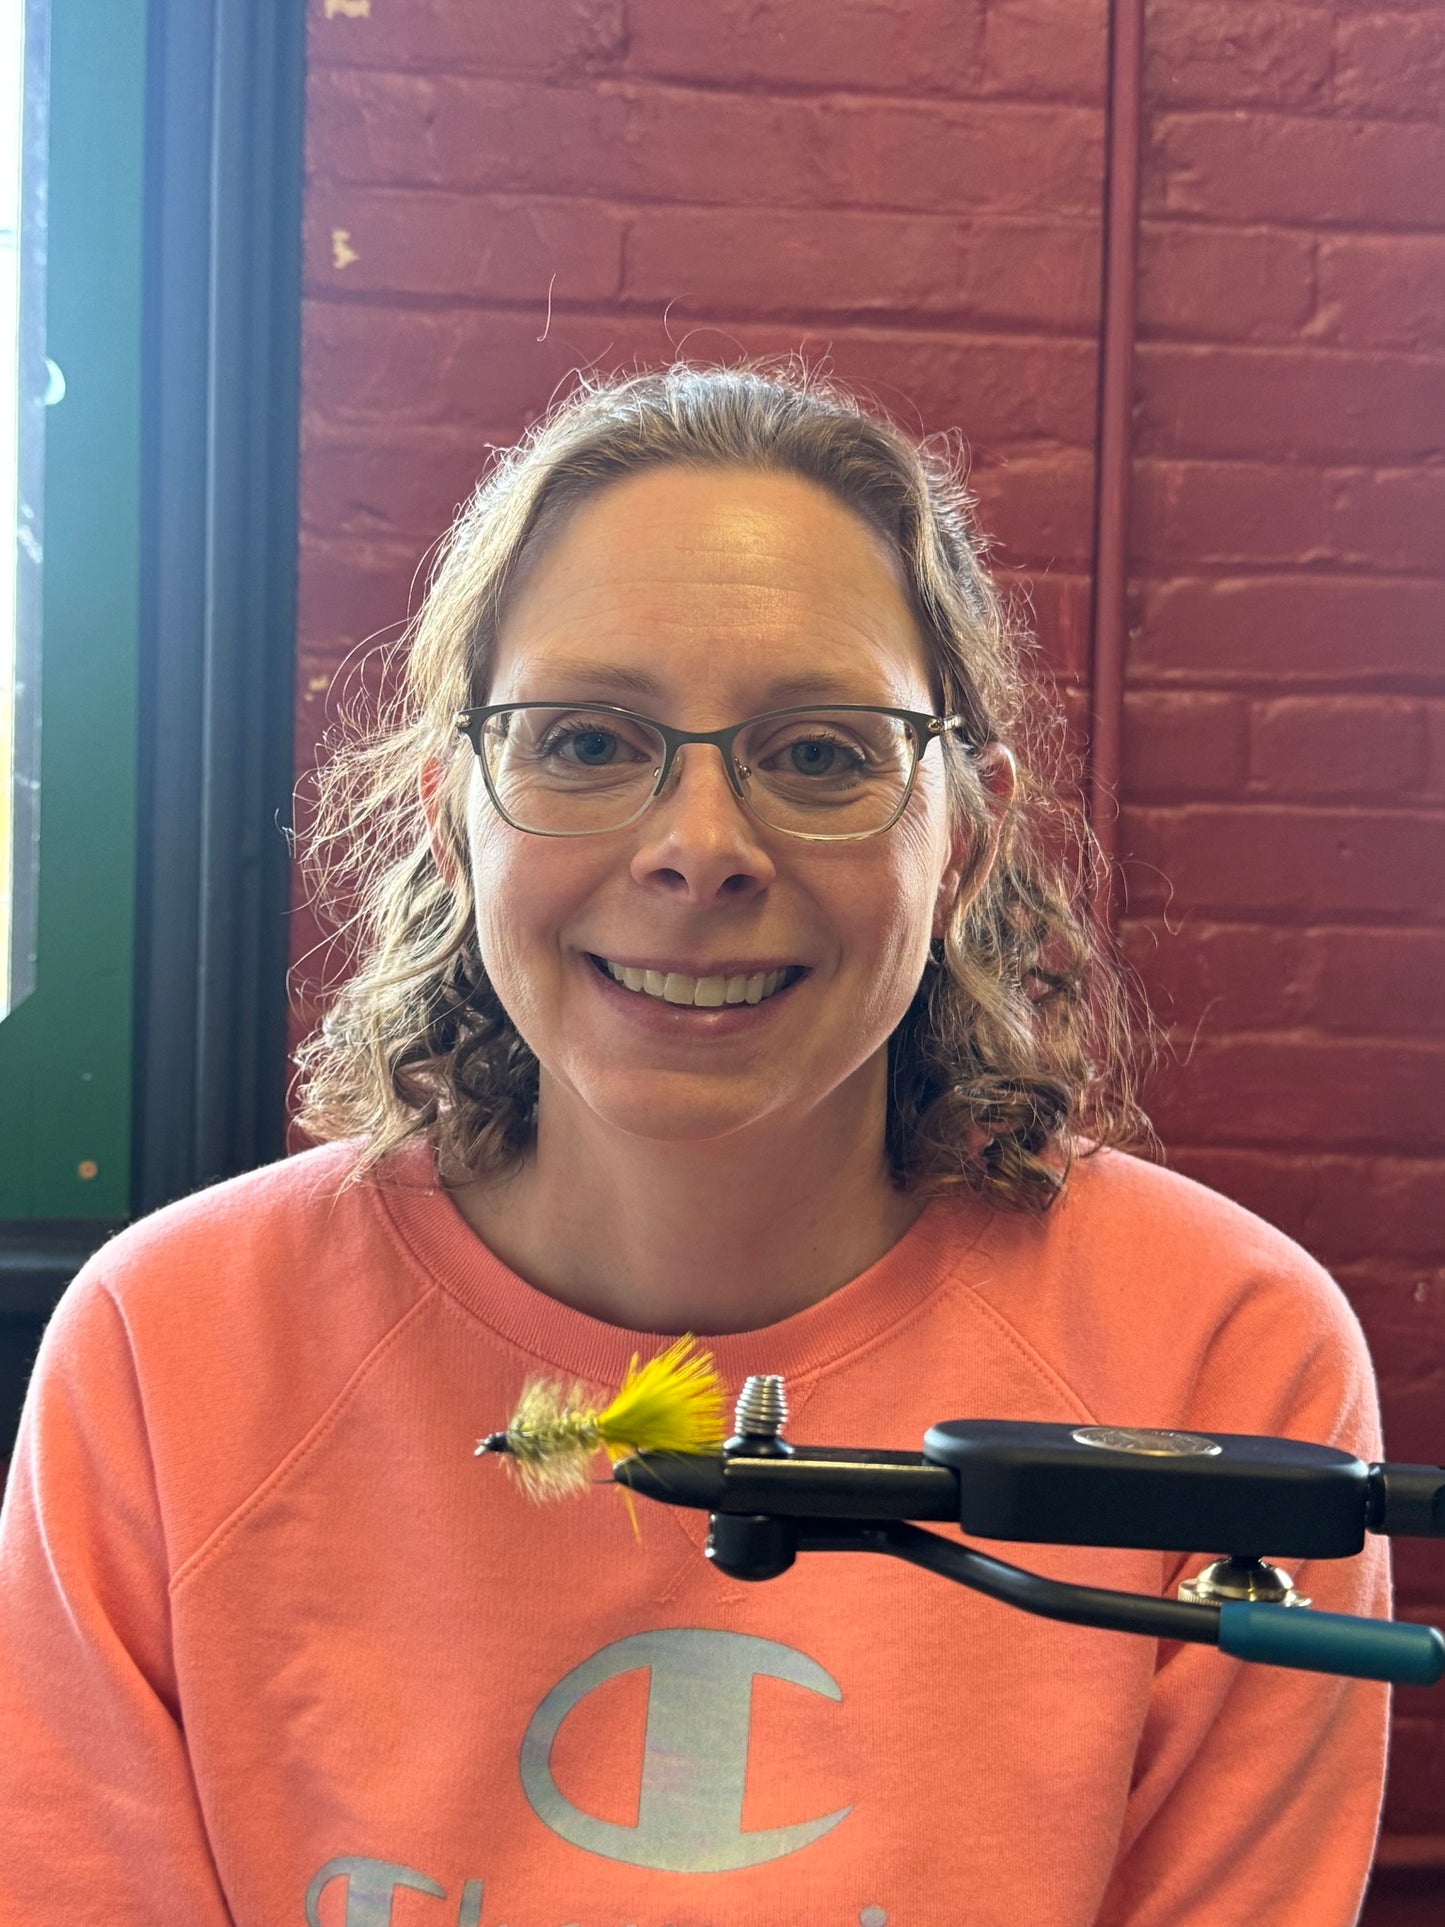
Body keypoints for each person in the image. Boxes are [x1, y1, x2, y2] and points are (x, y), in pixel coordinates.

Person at [0, 362, 1390, 1925]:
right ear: (454, 816)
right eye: (588, 742)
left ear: (964, 833)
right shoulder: (177, 1349)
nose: (700, 850)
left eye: (821, 753)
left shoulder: (1213, 1352)